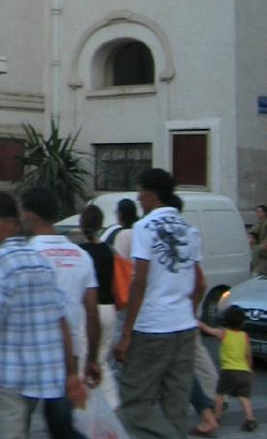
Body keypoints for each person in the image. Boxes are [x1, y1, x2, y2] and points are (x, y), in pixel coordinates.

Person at [0, 191, 85, 439]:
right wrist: (71, 372)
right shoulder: (40, 261)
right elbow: (61, 321)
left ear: (11, 224)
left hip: (8, 376)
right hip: (40, 375)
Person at [114, 168, 203, 439]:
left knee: (135, 399)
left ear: (151, 195)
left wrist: (127, 333)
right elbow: (200, 284)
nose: (138, 198)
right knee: (176, 404)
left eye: (140, 191)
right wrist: (188, 313)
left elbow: (139, 281)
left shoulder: (145, 227)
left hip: (152, 327)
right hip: (184, 326)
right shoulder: (190, 230)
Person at [21, 188, 102, 439]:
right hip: (69, 354)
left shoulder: (26, 255)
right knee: (62, 426)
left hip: (30, 353)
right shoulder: (81, 256)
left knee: (17, 424)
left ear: (30, 215)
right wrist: (92, 359)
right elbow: (92, 315)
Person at [79, 203, 119, 409]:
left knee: (85, 359)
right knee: (101, 359)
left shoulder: (80, 253)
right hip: (109, 308)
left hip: (88, 311)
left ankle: (85, 404)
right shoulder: (108, 251)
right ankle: (111, 402)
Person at [199, 307, 256, 431]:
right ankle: (250, 419)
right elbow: (248, 355)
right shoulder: (245, 336)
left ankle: (217, 417)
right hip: (244, 371)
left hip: (229, 371)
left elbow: (207, 329)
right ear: (243, 322)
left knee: (220, 394)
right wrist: (250, 369)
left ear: (225, 321)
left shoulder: (224, 333)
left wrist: (197, 322)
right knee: (243, 396)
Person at [250, 204, 267, 276]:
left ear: (265, 213)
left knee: (257, 273)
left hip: (264, 254)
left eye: (259, 212)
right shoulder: (258, 223)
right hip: (258, 253)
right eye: (257, 212)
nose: (257, 214)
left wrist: (263, 245)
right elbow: (253, 234)